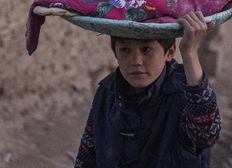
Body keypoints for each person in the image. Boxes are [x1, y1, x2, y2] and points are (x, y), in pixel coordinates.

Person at [74, 11, 221, 167]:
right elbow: (87, 155)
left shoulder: (185, 92)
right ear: (115, 54)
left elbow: (207, 135)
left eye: (146, 49)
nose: (136, 61)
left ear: (170, 52)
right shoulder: (107, 91)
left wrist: (189, 52)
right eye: (125, 50)